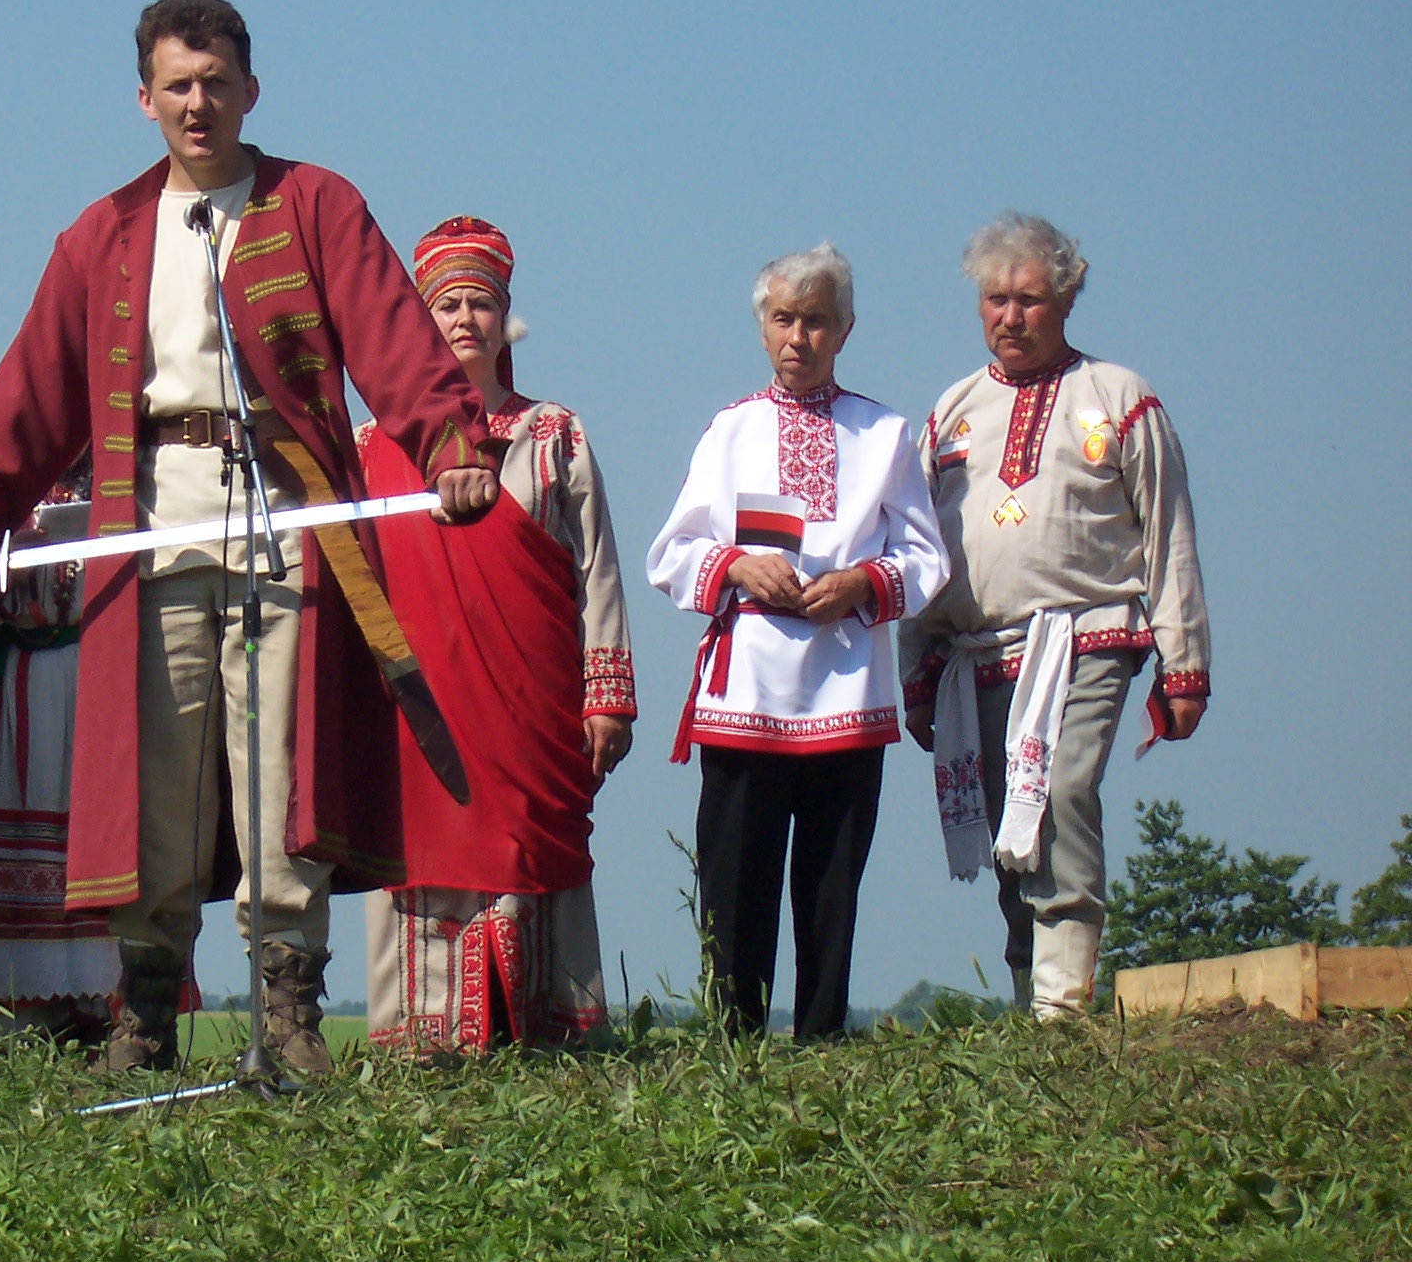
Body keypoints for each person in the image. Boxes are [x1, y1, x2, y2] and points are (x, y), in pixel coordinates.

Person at [0, 0, 498, 1077]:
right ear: (144, 99)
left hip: (288, 520)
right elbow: (31, 395)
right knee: (161, 774)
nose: (198, 103)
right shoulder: (103, 236)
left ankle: (287, 1017)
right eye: (177, 85)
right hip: (152, 527)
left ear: (250, 91)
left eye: (216, 83)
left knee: (278, 764)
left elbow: (396, 345)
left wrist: (450, 444)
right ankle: (143, 1015)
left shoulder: (316, 205)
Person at [900, 212, 1211, 1018]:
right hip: (979, 656)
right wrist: (917, 668)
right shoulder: (952, 412)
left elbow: (1169, 531)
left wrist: (1185, 665)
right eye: (997, 299)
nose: (1012, 316)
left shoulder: (1119, 398)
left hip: (1088, 636)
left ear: (1067, 299)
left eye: (1030, 299)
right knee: (1010, 828)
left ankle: (1065, 1005)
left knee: (1063, 791)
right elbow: (921, 549)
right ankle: (1029, 1000)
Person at [646, 245, 947, 1038]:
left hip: (848, 687)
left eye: (816, 321)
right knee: (735, 877)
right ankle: (732, 1040)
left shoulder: (884, 434)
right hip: (746, 689)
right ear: (761, 326)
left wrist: (860, 584)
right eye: (783, 319)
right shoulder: (731, 431)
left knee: (830, 883)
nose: (798, 337)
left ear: (844, 329)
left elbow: (927, 558)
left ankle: (822, 1041)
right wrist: (739, 565)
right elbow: (671, 554)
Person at [361, 217, 635, 1053]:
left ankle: (540, 1029)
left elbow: (598, 572)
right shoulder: (375, 444)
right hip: (417, 703)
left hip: (530, 702)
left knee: (524, 844)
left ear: (504, 316)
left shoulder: (552, 435)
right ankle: (422, 1038)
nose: (464, 319)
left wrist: (608, 696)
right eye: (446, 304)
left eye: (482, 303)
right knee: (420, 847)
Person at [0, 455, 117, 1042]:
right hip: (17, 683)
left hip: (104, 684)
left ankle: (104, 1009)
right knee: (21, 848)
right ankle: (13, 1014)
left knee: (101, 846)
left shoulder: (128, 476)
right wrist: (2, 567)